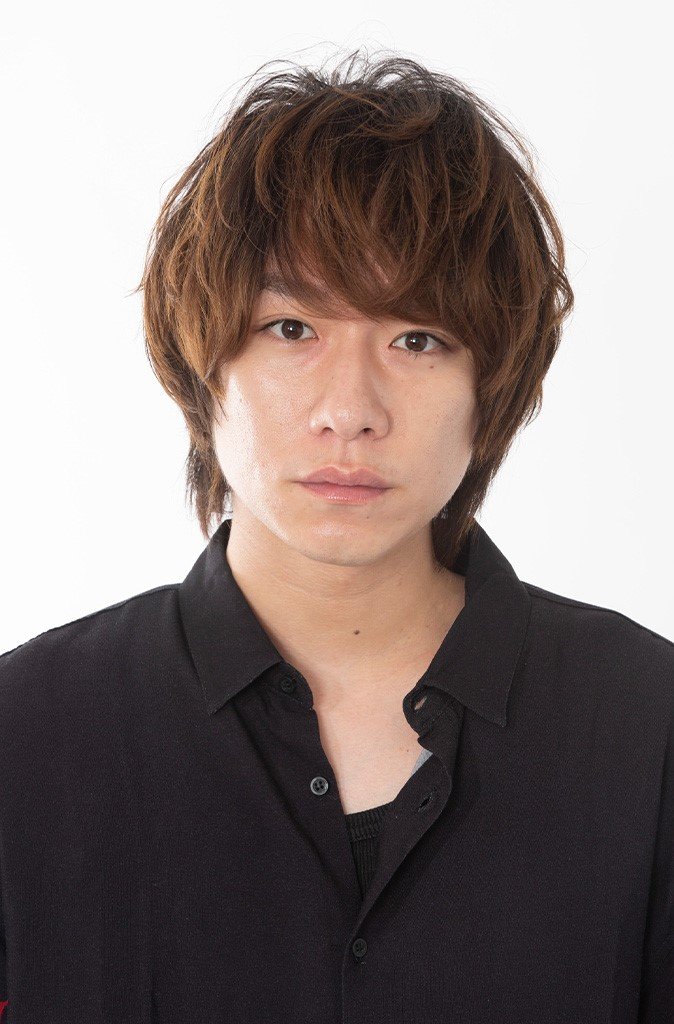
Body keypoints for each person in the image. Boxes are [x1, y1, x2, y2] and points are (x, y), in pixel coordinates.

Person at [0, 50, 671, 1023]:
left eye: (416, 339)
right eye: (290, 328)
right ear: (202, 362)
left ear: (491, 389)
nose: (349, 409)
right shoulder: (27, 740)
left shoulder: (647, 731)